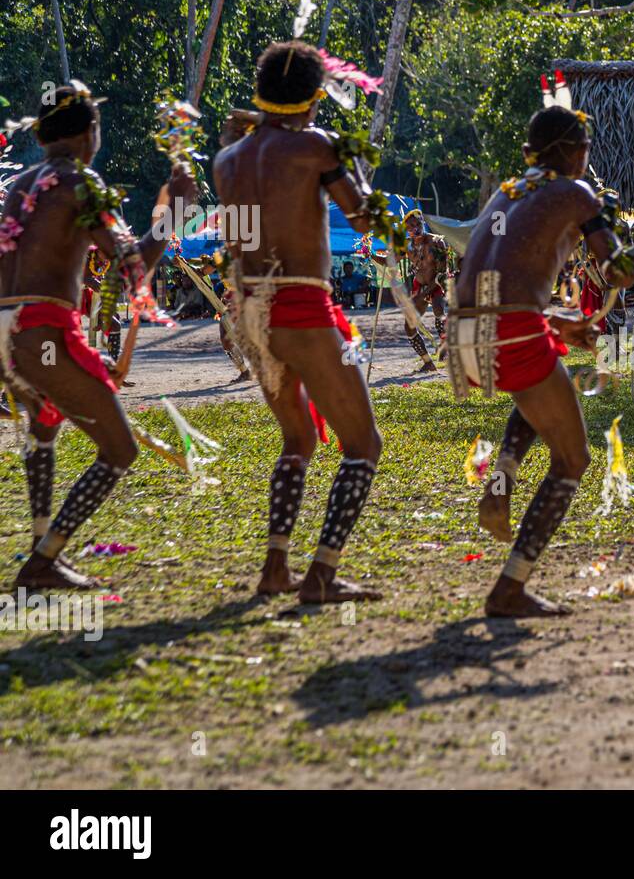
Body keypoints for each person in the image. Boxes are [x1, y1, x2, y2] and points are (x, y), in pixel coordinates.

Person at [451, 104, 634, 617]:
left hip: (466, 334)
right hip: (509, 331)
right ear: (571, 151)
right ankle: (509, 587)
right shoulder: (575, 192)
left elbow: (499, 281)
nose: (588, 157)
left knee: (547, 375)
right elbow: (621, 269)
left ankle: (500, 484)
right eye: (585, 148)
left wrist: (555, 323)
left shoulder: (507, 192)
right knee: (573, 459)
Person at [0, 82, 194, 588]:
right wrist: (173, 212)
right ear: (91, 134)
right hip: (41, 333)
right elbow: (129, 268)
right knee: (119, 450)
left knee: (44, 426)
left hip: (7, 335)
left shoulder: (21, 184)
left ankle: (45, 548)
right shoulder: (82, 183)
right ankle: (44, 560)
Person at [214, 40, 384, 603]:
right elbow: (363, 217)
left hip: (253, 314)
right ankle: (321, 576)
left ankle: (275, 569)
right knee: (362, 444)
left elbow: (241, 240)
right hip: (305, 309)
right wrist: (351, 161)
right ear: (313, 98)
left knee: (299, 439)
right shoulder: (315, 146)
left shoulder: (228, 159)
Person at [401, 210, 450, 370]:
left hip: (437, 285)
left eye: (418, 224)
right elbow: (390, 261)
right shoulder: (407, 245)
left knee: (439, 310)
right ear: (406, 230)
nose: (415, 228)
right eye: (411, 226)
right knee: (409, 326)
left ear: (423, 223)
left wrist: (424, 293)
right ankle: (428, 363)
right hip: (419, 286)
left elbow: (442, 273)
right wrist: (370, 254)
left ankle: (446, 349)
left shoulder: (436, 242)